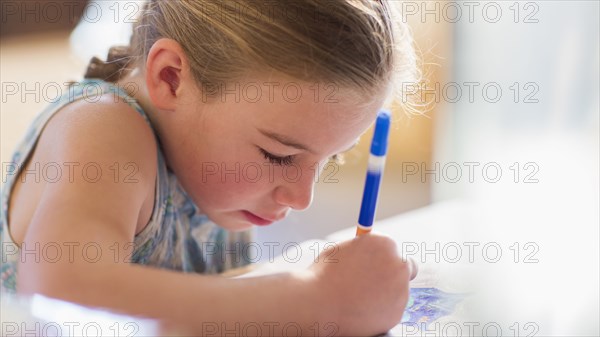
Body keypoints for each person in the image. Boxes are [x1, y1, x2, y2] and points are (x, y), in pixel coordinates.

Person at [1, 1, 419, 335]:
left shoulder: (214, 167)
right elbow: (62, 292)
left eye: (332, 158)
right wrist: (316, 301)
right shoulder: (103, 128)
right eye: (278, 156)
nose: (300, 198)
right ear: (171, 78)